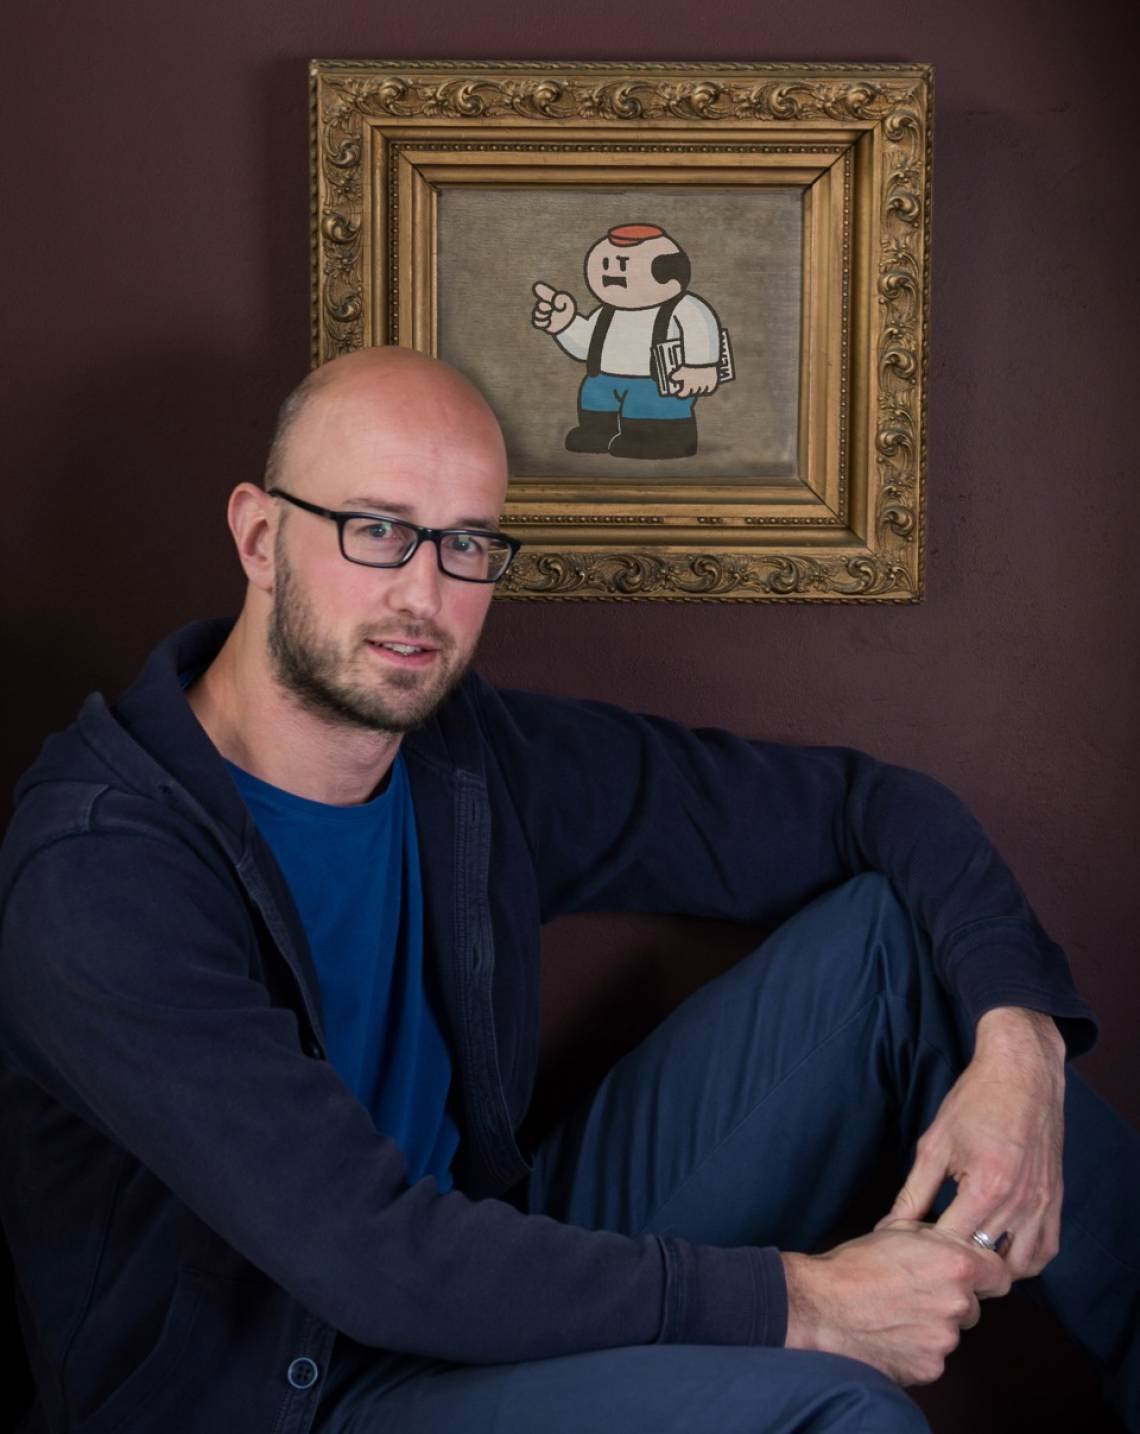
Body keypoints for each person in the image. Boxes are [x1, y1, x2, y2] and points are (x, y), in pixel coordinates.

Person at [0, 347, 1136, 1434]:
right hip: (290, 1396)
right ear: (260, 535)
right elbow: (370, 1254)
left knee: (887, 951)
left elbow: (869, 807)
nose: (423, 594)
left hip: (484, 1284)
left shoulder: (468, 761)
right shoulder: (102, 869)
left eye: (467, 544)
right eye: (377, 530)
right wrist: (809, 1304)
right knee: (839, 1408)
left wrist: (1022, 1044)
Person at [532, 222, 727, 458]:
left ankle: (661, 440)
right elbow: (586, 346)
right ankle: (598, 433)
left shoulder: (684, 308)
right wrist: (565, 324)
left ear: (668, 272)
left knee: (648, 406)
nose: (612, 274)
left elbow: (701, 330)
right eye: (605, 264)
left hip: (655, 382)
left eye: (623, 265)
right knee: (595, 397)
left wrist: (701, 368)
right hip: (604, 379)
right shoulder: (605, 313)